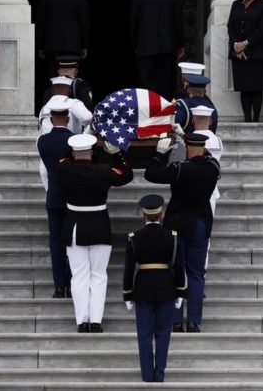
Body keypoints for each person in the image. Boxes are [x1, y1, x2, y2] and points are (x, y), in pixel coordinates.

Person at [56, 132, 134, 333]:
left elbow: (62, 156)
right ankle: (96, 321)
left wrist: (84, 136)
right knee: (98, 275)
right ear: (92, 152)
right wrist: (116, 153)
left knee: (79, 275)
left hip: (74, 226)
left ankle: (82, 321)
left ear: (73, 152)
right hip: (99, 225)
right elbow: (126, 174)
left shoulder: (65, 169)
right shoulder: (103, 171)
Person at [146, 132, 221, 333]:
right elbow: (207, 157)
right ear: (203, 147)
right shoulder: (213, 167)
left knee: (175, 273)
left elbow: (151, 173)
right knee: (197, 274)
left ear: (187, 147)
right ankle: (194, 321)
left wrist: (160, 154)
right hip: (200, 223)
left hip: (177, 224)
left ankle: (176, 321)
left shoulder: (180, 169)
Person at [123, 194, 186, 383]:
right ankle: (159, 374)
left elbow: (128, 269)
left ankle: (147, 375)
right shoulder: (172, 237)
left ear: (144, 215)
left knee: (144, 334)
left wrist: (127, 294)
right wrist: (180, 291)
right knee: (163, 333)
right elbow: (180, 266)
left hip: (142, 287)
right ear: (161, 214)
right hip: (166, 287)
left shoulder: (134, 238)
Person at [36, 98, 74, 299]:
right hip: (73, 198)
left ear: (51, 118)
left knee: (56, 242)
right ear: (67, 119)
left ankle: (59, 285)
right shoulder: (75, 140)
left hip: (53, 197)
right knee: (72, 243)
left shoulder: (43, 141)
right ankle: (70, 281)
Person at [129, 0, 184, 99]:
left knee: (148, 81)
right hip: (168, 47)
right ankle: (164, 108)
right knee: (166, 81)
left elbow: (133, 23)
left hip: (145, 47)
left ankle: (151, 109)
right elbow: (179, 22)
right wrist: (180, 45)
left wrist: (135, 44)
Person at [226, 0, 263, 122]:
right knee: (243, 87)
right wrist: (235, 45)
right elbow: (231, 26)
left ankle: (255, 119)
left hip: (256, 53)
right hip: (238, 53)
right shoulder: (236, 4)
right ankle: (247, 119)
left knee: (255, 88)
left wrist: (245, 43)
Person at [35, 0, 89, 76]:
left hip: (51, 46)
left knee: (53, 77)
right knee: (72, 77)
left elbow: (41, 23)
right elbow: (84, 23)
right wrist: (85, 46)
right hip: (73, 46)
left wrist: (40, 46)